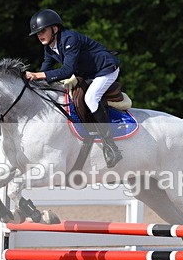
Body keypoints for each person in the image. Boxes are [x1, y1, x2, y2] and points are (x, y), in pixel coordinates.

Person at [25, 9, 123, 168]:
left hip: (105, 68)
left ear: (55, 29)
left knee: (91, 98)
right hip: (88, 73)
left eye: (43, 30)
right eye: (37, 33)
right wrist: (32, 83)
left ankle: (111, 147)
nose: (39, 35)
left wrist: (37, 75)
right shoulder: (49, 47)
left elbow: (67, 71)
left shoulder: (70, 38)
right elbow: (46, 68)